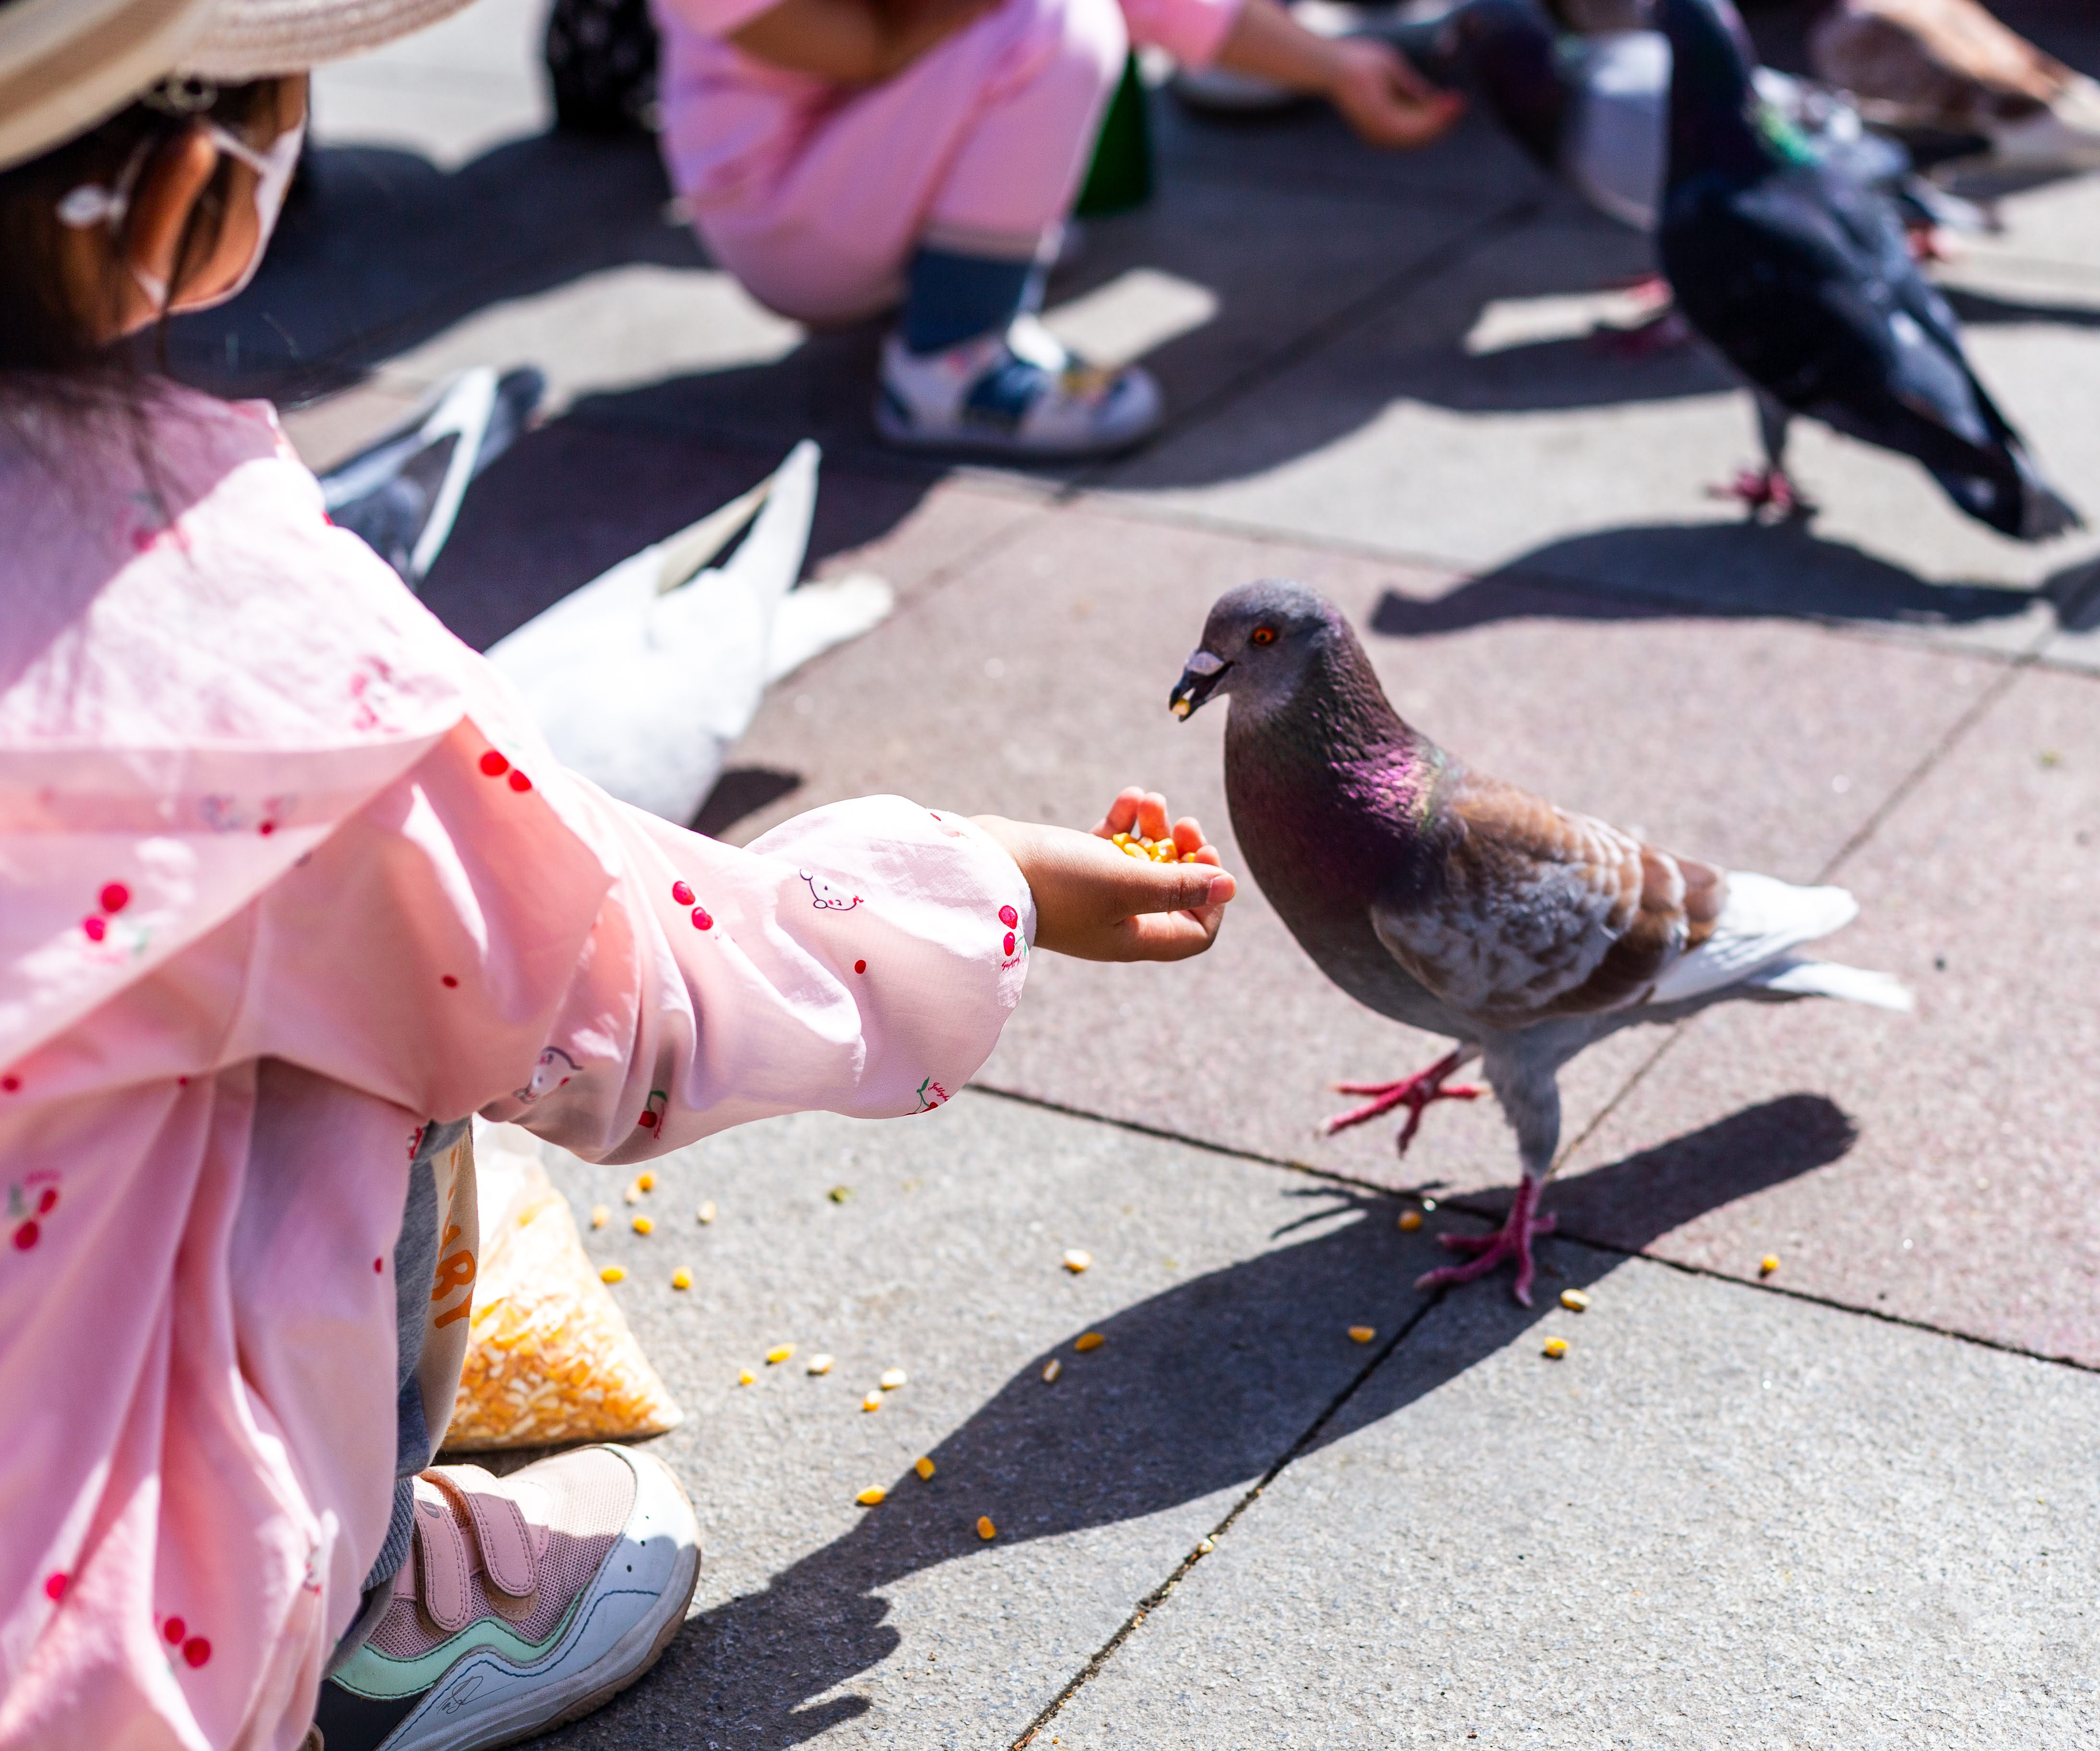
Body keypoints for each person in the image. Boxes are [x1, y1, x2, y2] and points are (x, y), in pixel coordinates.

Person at [0, 1, 1239, 1745]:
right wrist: (977, 877)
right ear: (192, 180)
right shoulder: (222, 631)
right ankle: (344, 1609)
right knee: (399, 1007)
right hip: (83, 1653)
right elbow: (610, 995)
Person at [654, 0, 1464, 457]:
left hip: (866, 169)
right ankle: (948, 362)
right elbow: (867, 48)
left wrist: (1337, 68)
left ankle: (961, 258)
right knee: (1053, 24)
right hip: (789, 220)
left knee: (1051, 22)